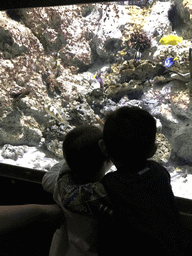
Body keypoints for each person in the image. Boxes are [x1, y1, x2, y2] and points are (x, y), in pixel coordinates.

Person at [56, 106, 190, 256]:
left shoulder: (107, 190)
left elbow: (69, 197)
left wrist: (66, 168)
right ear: (154, 150)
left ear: (103, 148)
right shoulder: (160, 172)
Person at [42, 125, 112, 256]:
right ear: (108, 160)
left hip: (63, 249)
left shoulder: (61, 187)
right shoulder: (105, 194)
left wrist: (69, 161)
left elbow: (47, 179)